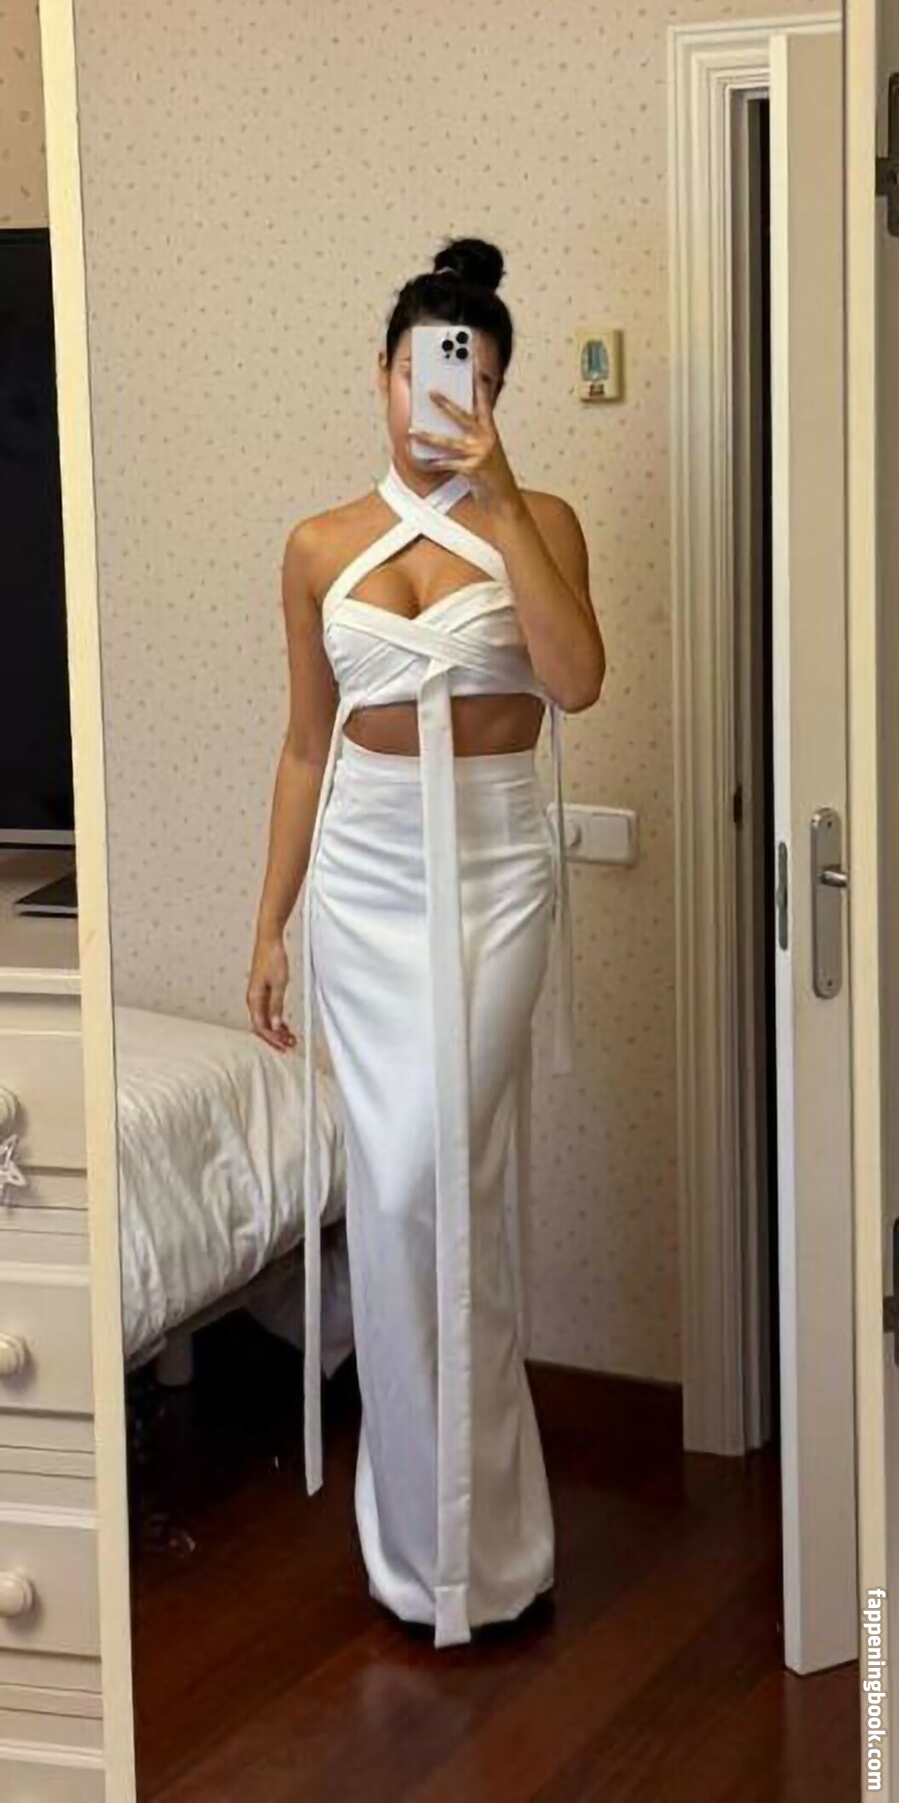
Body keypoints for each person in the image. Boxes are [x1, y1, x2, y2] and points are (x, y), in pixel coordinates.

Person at [246, 237, 605, 1648]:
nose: (444, 399)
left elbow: (576, 680)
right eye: (424, 371)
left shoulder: (542, 519)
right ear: (385, 375)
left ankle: (492, 1550)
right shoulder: (318, 545)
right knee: (399, 1199)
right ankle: (420, 1555)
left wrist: (500, 499)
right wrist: (269, 923)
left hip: (496, 871)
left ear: (498, 394)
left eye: (477, 380)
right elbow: (303, 745)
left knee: (433, 1178)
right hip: (364, 878)